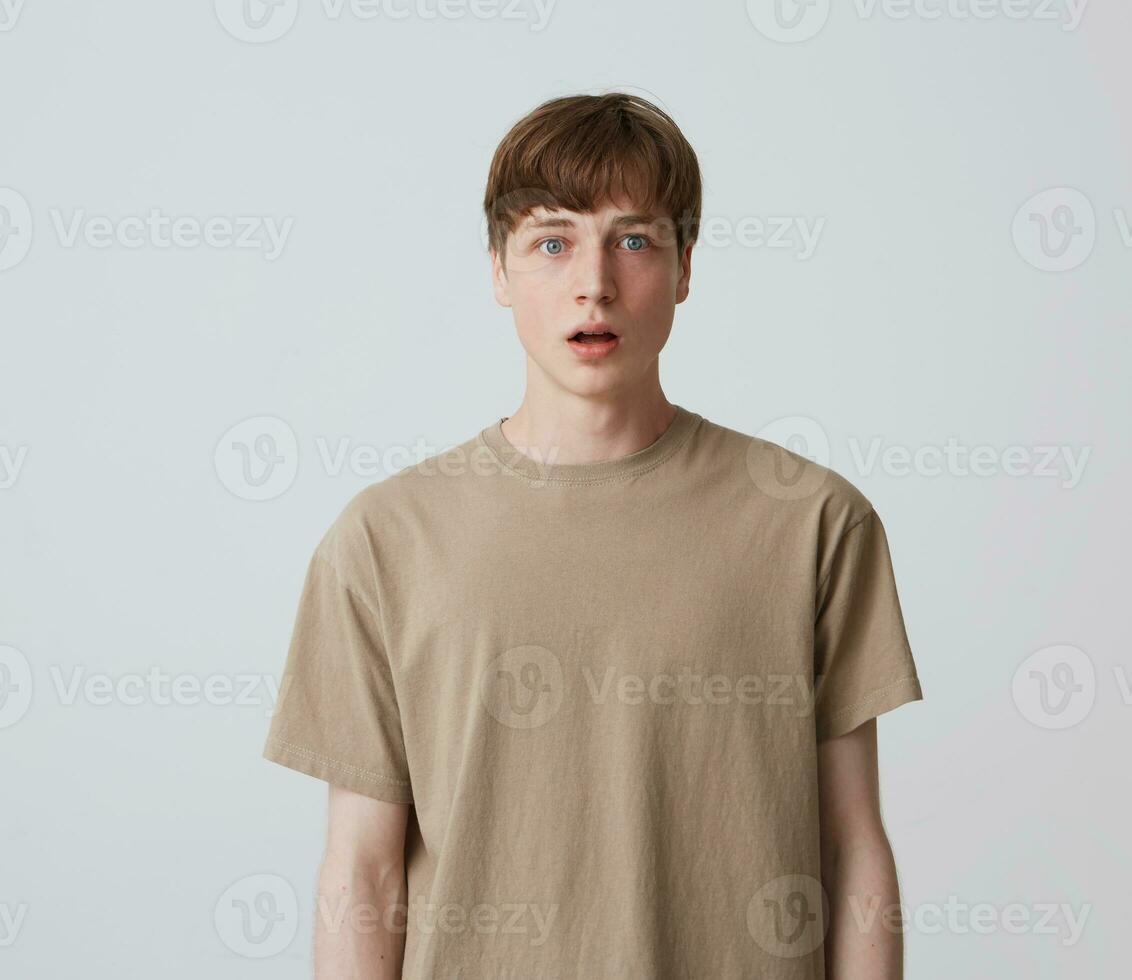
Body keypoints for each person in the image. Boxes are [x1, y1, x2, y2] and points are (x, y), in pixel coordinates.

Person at [262, 91, 924, 979]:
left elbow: (854, 852)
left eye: (636, 240)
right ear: (498, 270)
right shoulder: (386, 539)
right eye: (552, 241)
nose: (595, 283)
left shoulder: (812, 523)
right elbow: (363, 867)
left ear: (687, 267)